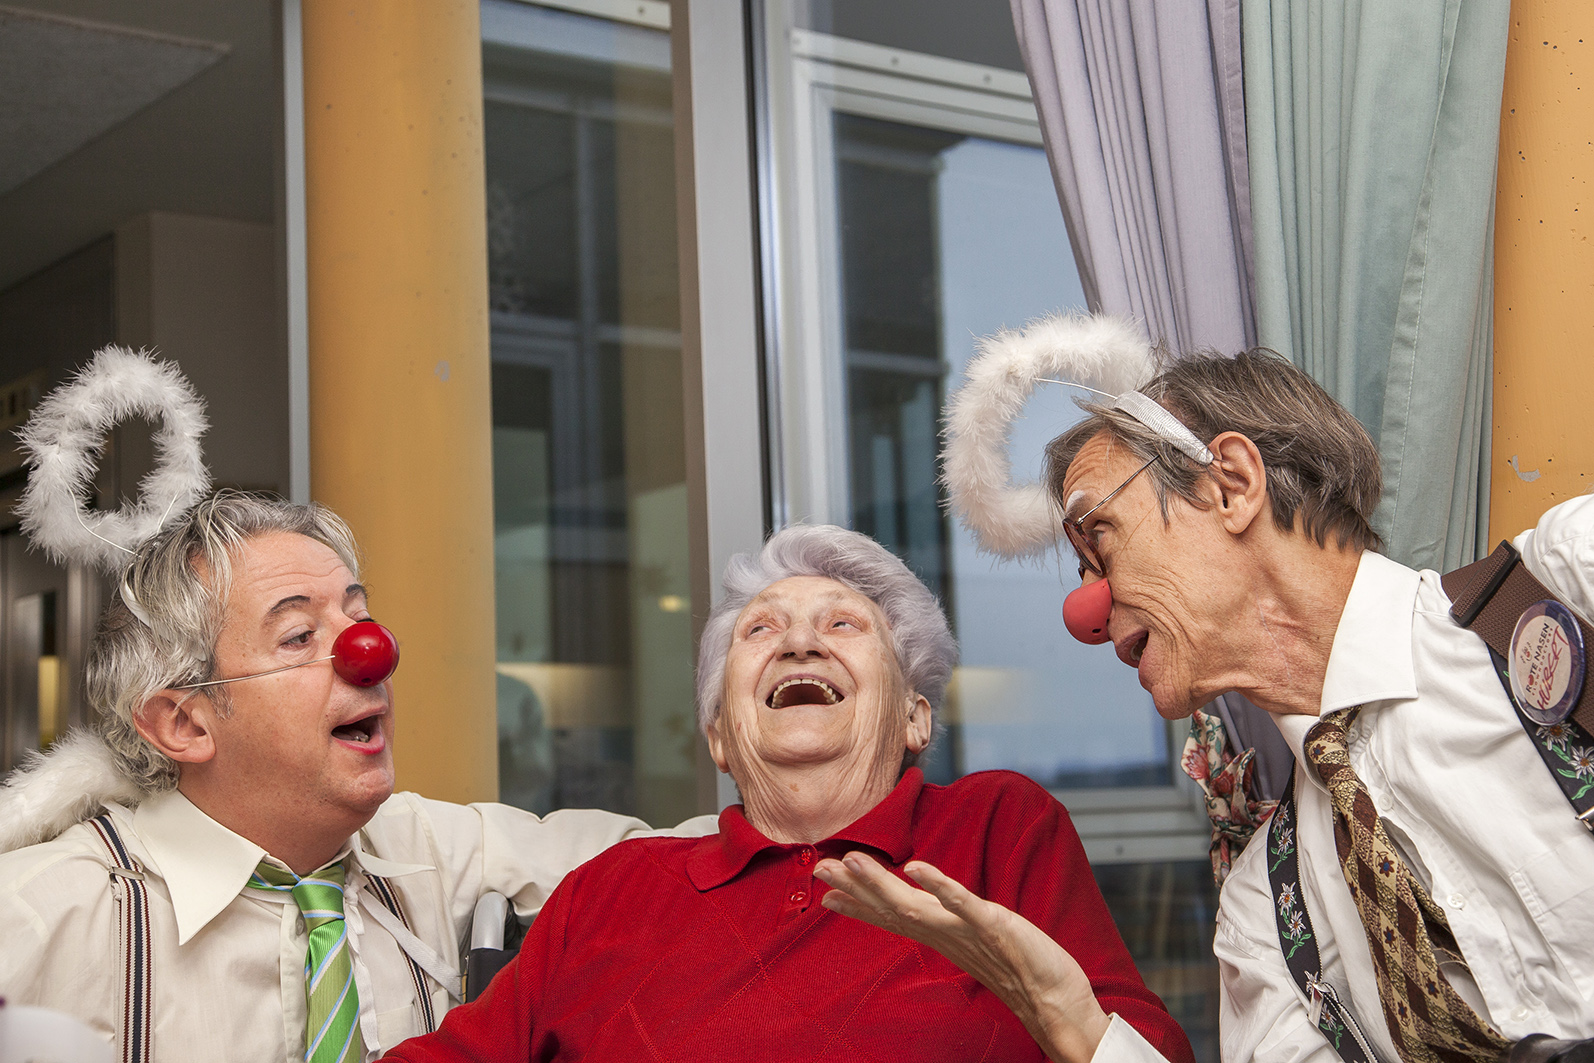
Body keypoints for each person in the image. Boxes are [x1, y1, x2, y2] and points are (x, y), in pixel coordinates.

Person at [827, 347, 1594, 1062]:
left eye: (1102, 538)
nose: (1086, 611)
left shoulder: (1565, 584)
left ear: (1229, 483)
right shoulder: (1266, 908)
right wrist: (1077, 1023)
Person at [382, 524, 1196, 1063]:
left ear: (916, 715)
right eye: (760, 629)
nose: (800, 638)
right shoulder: (616, 887)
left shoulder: (996, 831)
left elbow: (1145, 1047)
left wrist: (1066, 1018)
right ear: (719, 736)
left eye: (843, 624)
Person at [0, 491, 716, 1062]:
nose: (369, 652)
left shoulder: (429, 851)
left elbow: (691, 867)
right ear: (185, 723)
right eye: (300, 635)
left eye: (358, 615)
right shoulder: (43, 913)